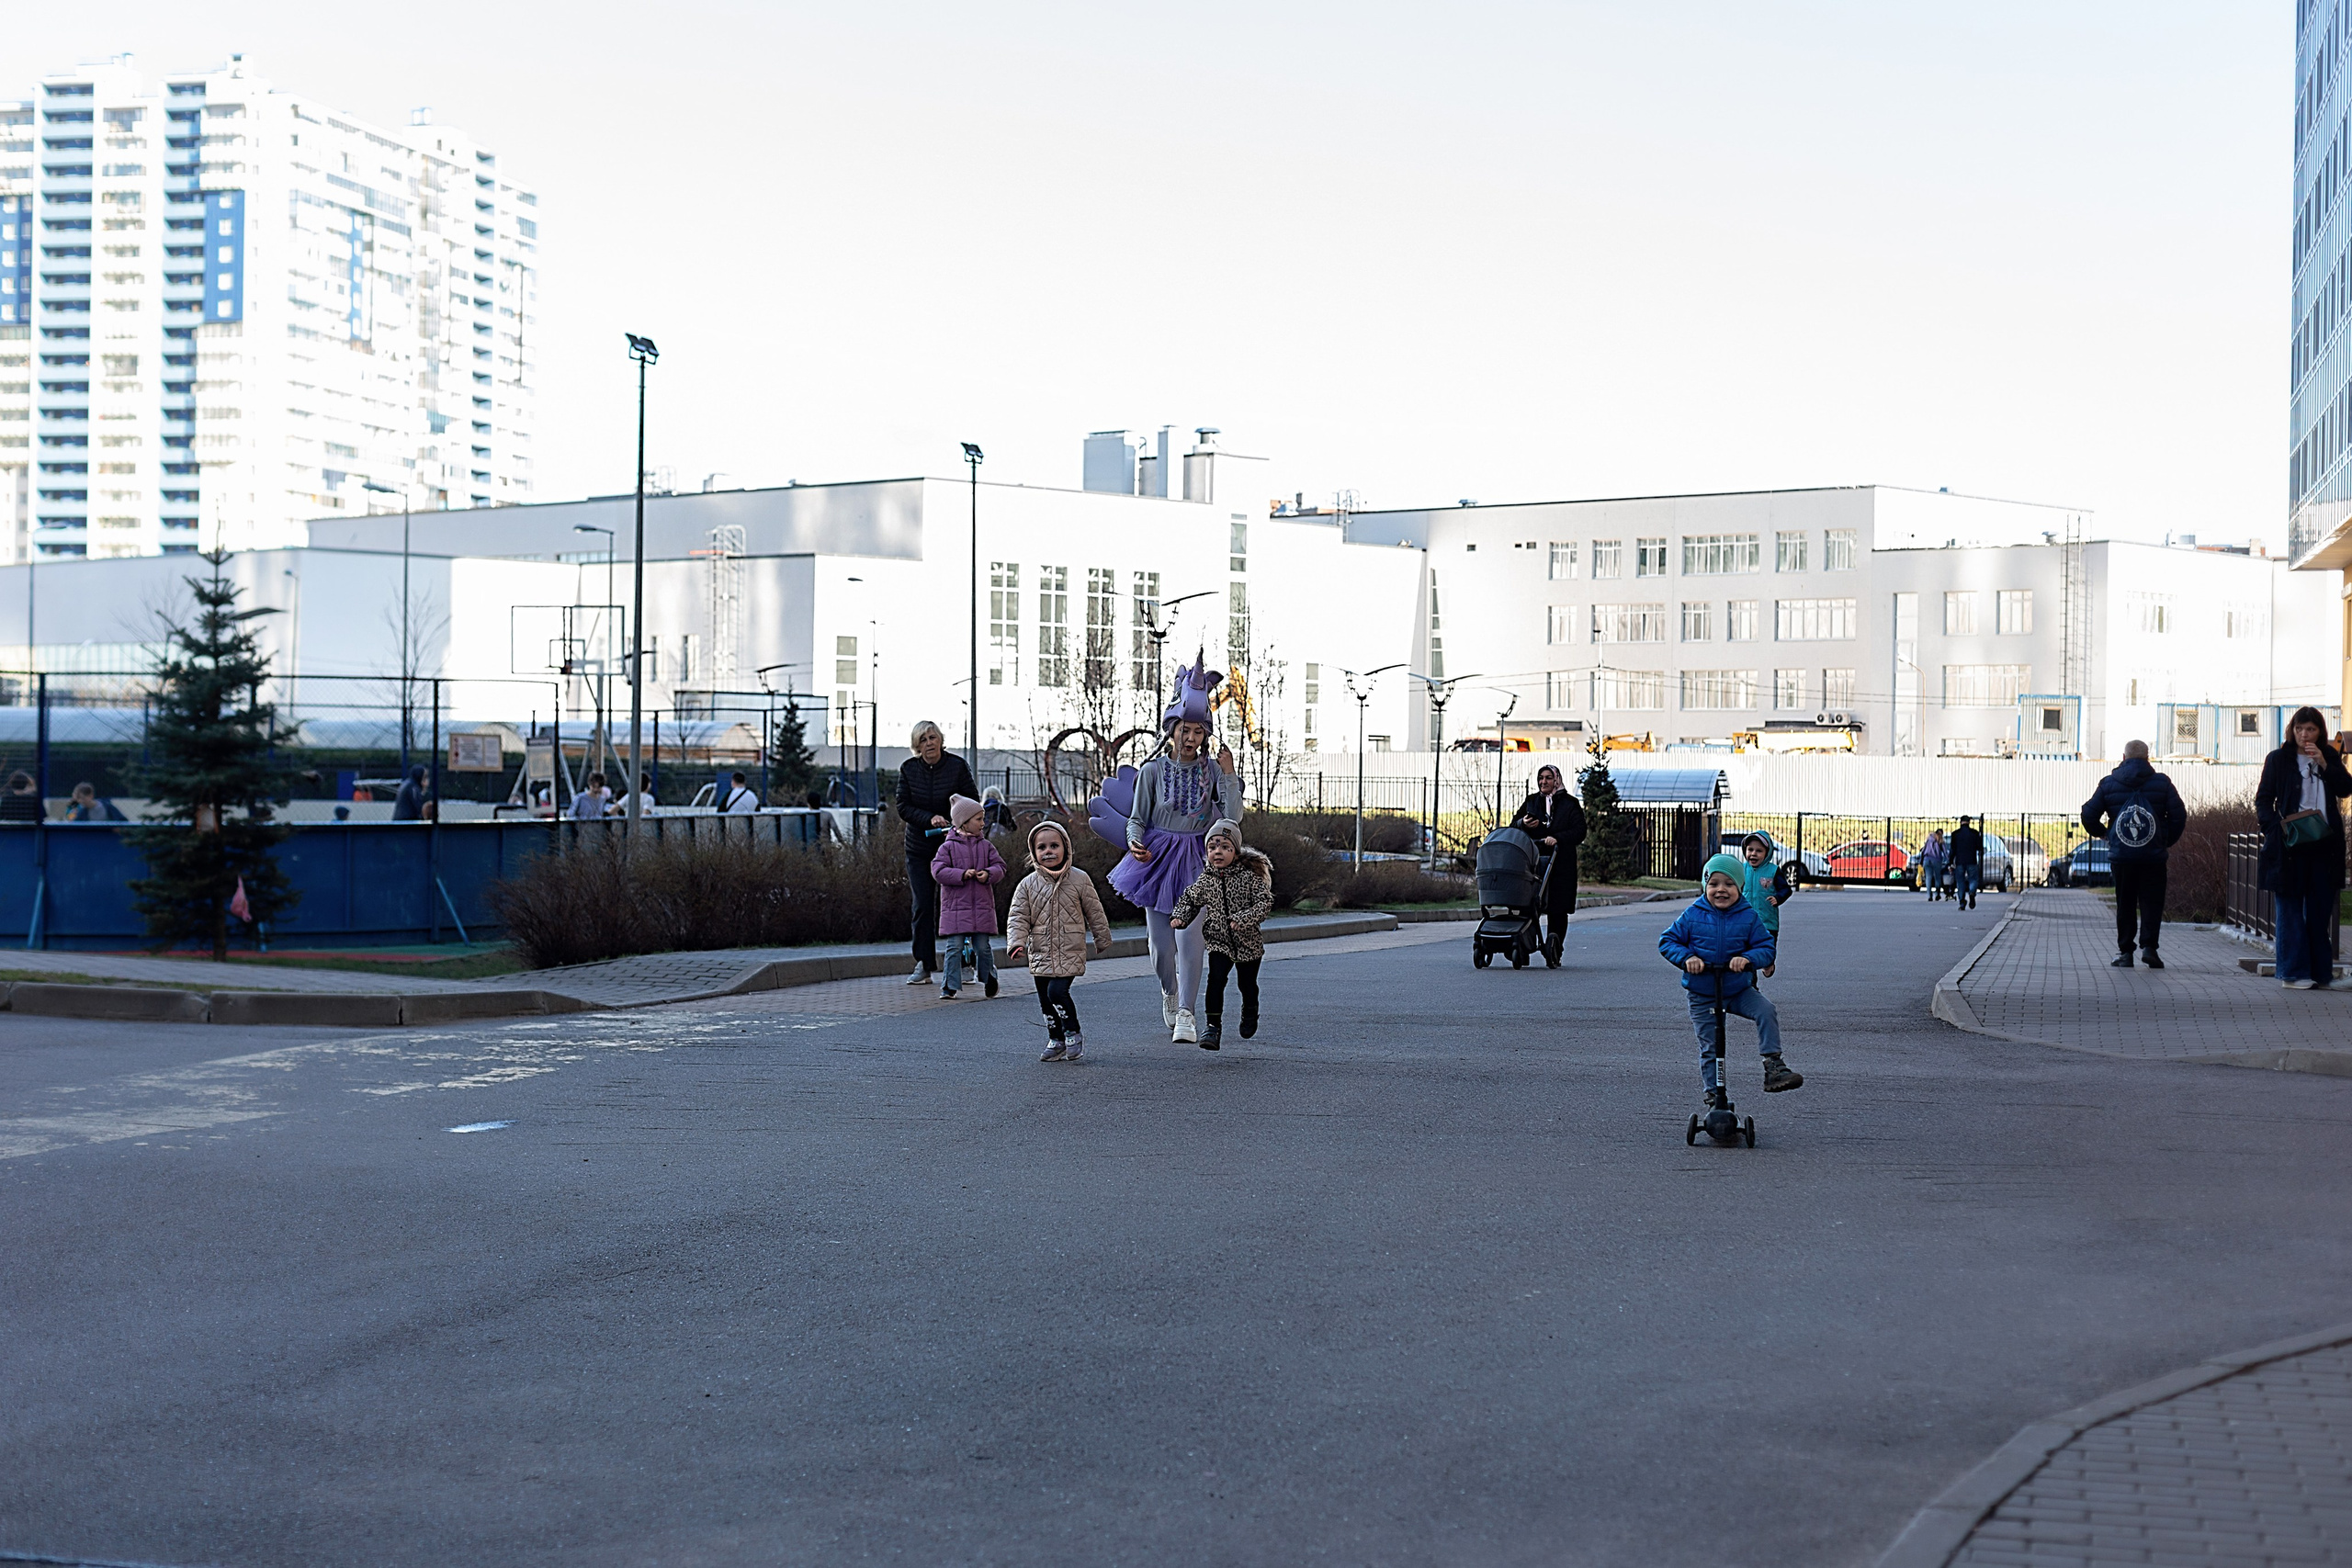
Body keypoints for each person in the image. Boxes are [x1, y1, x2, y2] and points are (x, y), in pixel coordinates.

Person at [1111, 655, 1241, 1044]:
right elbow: (1137, 818)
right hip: (1157, 860)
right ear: (1173, 730)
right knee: (1160, 947)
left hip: (1198, 861)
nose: (1191, 739)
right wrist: (1134, 841)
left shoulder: (1213, 771)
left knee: (1191, 938)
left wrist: (1230, 774)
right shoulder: (1152, 772)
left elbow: (1232, 818)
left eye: (1199, 732)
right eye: (1186, 730)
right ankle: (1170, 991)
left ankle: (1187, 1012)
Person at [1659, 853, 1803, 1108]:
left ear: (1740, 887)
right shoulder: (1693, 914)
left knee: (1766, 1010)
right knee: (1711, 1046)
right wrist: (1687, 958)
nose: (1721, 890)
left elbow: (1766, 948)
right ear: (1705, 886)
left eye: (1729, 884)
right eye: (1714, 884)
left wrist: (1747, 959)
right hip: (1703, 992)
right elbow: (1668, 941)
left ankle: (1773, 1064)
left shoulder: (1748, 916)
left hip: (1737, 989)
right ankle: (1715, 1095)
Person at [2255, 705, 2352, 989]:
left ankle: (2321, 974)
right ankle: (2293, 974)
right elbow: (2263, 799)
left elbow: (2346, 788)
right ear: (2291, 730)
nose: (2304, 734)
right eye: (2299, 729)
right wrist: (2274, 828)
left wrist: (2325, 763)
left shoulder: (2330, 757)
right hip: (2290, 844)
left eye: (2310, 729)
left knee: (2320, 911)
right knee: (2290, 910)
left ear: (2320, 731)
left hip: (2325, 844)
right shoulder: (2278, 759)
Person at [1006, 820, 1114, 1063]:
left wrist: (1102, 938)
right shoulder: (1027, 885)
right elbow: (1018, 917)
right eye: (1042, 847)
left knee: (1058, 991)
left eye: (1054, 845)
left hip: (1069, 950)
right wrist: (1016, 943)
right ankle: (1055, 1040)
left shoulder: (1079, 879)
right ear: (1033, 852)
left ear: (1066, 847)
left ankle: (1072, 1032)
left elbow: (1094, 911)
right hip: (1040, 951)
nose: (1048, 851)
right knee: (1045, 999)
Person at [2082, 739, 2188, 970]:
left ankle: (2125, 953)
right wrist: (2164, 840)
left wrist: (2106, 835)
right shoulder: (2162, 783)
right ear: (2148, 758)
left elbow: (2088, 815)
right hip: (2153, 857)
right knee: (2152, 902)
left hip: (2123, 857)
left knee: (2125, 903)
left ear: (2123, 758)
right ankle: (2150, 949)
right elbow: (2179, 816)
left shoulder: (2109, 784)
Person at [1170, 818, 1273, 1051]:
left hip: (1248, 943)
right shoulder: (1206, 881)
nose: (1218, 852)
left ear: (1235, 853)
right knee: (1215, 981)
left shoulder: (1248, 879)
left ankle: (1250, 1012)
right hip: (1219, 942)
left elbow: (1264, 902)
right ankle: (1212, 1027)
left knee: (1247, 984)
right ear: (1206, 852)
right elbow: (1189, 899)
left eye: (1225, 847)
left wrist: (1244, 918)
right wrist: (1181, 917)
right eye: (1213, 847)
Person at [897, 720, 980, 986]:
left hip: (954, 847)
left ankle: (965, 963)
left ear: (941, 740)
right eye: (922, 740)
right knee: (922, 905)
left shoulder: (957, 766)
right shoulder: (908, 769)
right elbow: (903, 806)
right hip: (920, 848)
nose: (929, 743)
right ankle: (923, 963)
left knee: (958, 905)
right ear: (916, 746)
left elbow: (971, 801)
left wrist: (952, 820)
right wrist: (928, 818)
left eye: (932, 737)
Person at [932, 795, 1009, 999]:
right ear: (964, 822)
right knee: (954, 948)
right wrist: (961, 875)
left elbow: (1000, 867)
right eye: (979, 819)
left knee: (983, 948)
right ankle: (949, 985)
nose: (983, 823)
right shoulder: (947, 847)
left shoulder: (986, 846)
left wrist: (989, 874)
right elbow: (938, 871)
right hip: (956, 908)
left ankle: (989, 979)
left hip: (981, 908)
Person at [1511, 762, 1588, 965]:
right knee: (1527, 905)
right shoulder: (1532, 802)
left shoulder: (1570, 804)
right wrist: (1523, 824)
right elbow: (1513, 825)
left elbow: (1579, 831)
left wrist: (1557, 838)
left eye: (1548, 778)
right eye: (1541, 778)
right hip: (1534, 861)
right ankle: (1523, 945)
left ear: (1557, 780)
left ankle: (1555, 949)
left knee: (1557, 908)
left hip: (1560, 863)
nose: (1543, 782)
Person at [1737, 830, 1795, 975]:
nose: (1753, 854)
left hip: (1768, 921)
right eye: (1750, 850)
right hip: (1746, 921)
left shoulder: (1773, 871)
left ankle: (1769, 962)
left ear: (1767, 853)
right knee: (1747, 954)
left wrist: (1778, 898)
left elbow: (1786, 890)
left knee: (1767, 948)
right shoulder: (1741, 870)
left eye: (1759, 851)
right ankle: (1751, 985)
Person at [1947, 816, 1985, 909]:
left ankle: (1962, 903)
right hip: (1972, 860)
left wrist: (1950, 862)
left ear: (1961, 822)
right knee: (1973, 879)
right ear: (1969, 822)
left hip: (1959, 861)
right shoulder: (1975, 833)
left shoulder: (1955, 834)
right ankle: (1972, 892)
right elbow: (1980, 848)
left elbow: (1952, 850)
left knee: (1960, 882)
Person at [1917, 829, 1948, 901]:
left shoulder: (1929, 839)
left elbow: (1923, 850)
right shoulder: (1940, 841)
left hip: (1926, 859)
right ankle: (1937, 894)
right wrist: (1949, 861)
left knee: (1928, 878)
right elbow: (1945, 852)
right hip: (1936, 860)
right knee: (1937, 878)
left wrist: (1921, 861)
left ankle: (1929, 895)